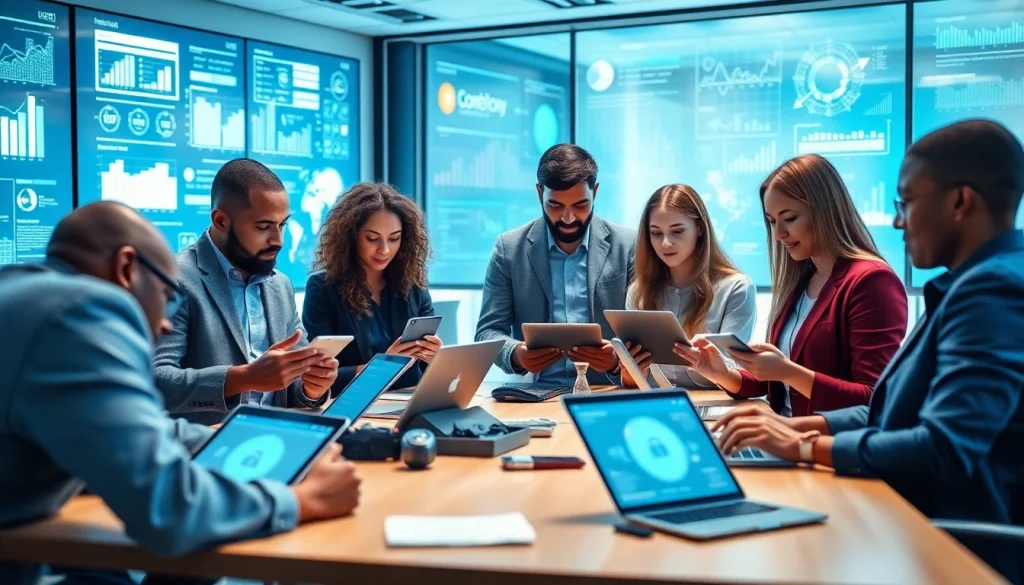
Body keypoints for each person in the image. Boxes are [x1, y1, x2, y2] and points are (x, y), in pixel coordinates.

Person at [709, 119, 1024, 585]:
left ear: (960, 202)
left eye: (908, 202)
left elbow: (942, 447)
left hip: (944, 541)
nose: (898, 220)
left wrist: (802, 445)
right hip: (902, 513)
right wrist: (797, 426)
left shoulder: (992, 289)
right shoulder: (972, 284)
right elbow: (890, 410)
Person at [0, 202, 361, 585]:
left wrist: (272, 445)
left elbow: (143, 433)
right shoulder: (83, 312)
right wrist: (302, 500)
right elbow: (168, 510)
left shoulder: (21, 291)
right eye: (166, 295)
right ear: (126, 268)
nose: (163, 322)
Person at [682, 154, 908, 416]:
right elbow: (778, 384)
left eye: (789, 218)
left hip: (826, 446)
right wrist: (724, 374)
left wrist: (787, 371)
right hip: (786, 437)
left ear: (825, 211)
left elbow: (874, 399)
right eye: (772, 221)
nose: (778, 235)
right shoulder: (802, 278)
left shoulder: (871, 281)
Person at [154, 159, 338, 425]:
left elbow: (296, 391)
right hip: (207, 448)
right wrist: (244, 378)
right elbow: (155, 382)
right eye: (263, 227)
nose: (278, 240)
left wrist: (313, 387)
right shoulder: (174, 279)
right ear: (220, 220)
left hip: (279, 436)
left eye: (282, 225)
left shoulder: (280, 285)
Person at [475, 144, 636, 385]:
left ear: (596, 192)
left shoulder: (628, 245)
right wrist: (516, 354)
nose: (568, 218)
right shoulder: (509, 249)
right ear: (540, 193)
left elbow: (642, 335)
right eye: (556, 206)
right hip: (535, 393)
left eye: (580, 206)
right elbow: (487, 333)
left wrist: (617, 360)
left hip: (606, 391)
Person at [303, 182, 441, 393]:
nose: (384, 250)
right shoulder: (323, 288)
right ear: (351, 236)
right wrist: (385, 367)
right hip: (353, 404)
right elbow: (316, 376)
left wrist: (435, 358)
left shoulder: (414, 285)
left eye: (394, 238)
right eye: (372, 238)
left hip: (408, 399)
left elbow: (424, 370)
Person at [622, 184, 757, 388]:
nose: (666, 243)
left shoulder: (736, 288)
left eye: (677, 231)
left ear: (700, 229)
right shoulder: (638, 292)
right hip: (657, 404)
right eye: (656, 233)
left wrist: (703, 362)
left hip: (718, 406)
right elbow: (635, 381)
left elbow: (736, 374)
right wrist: (630, 373)